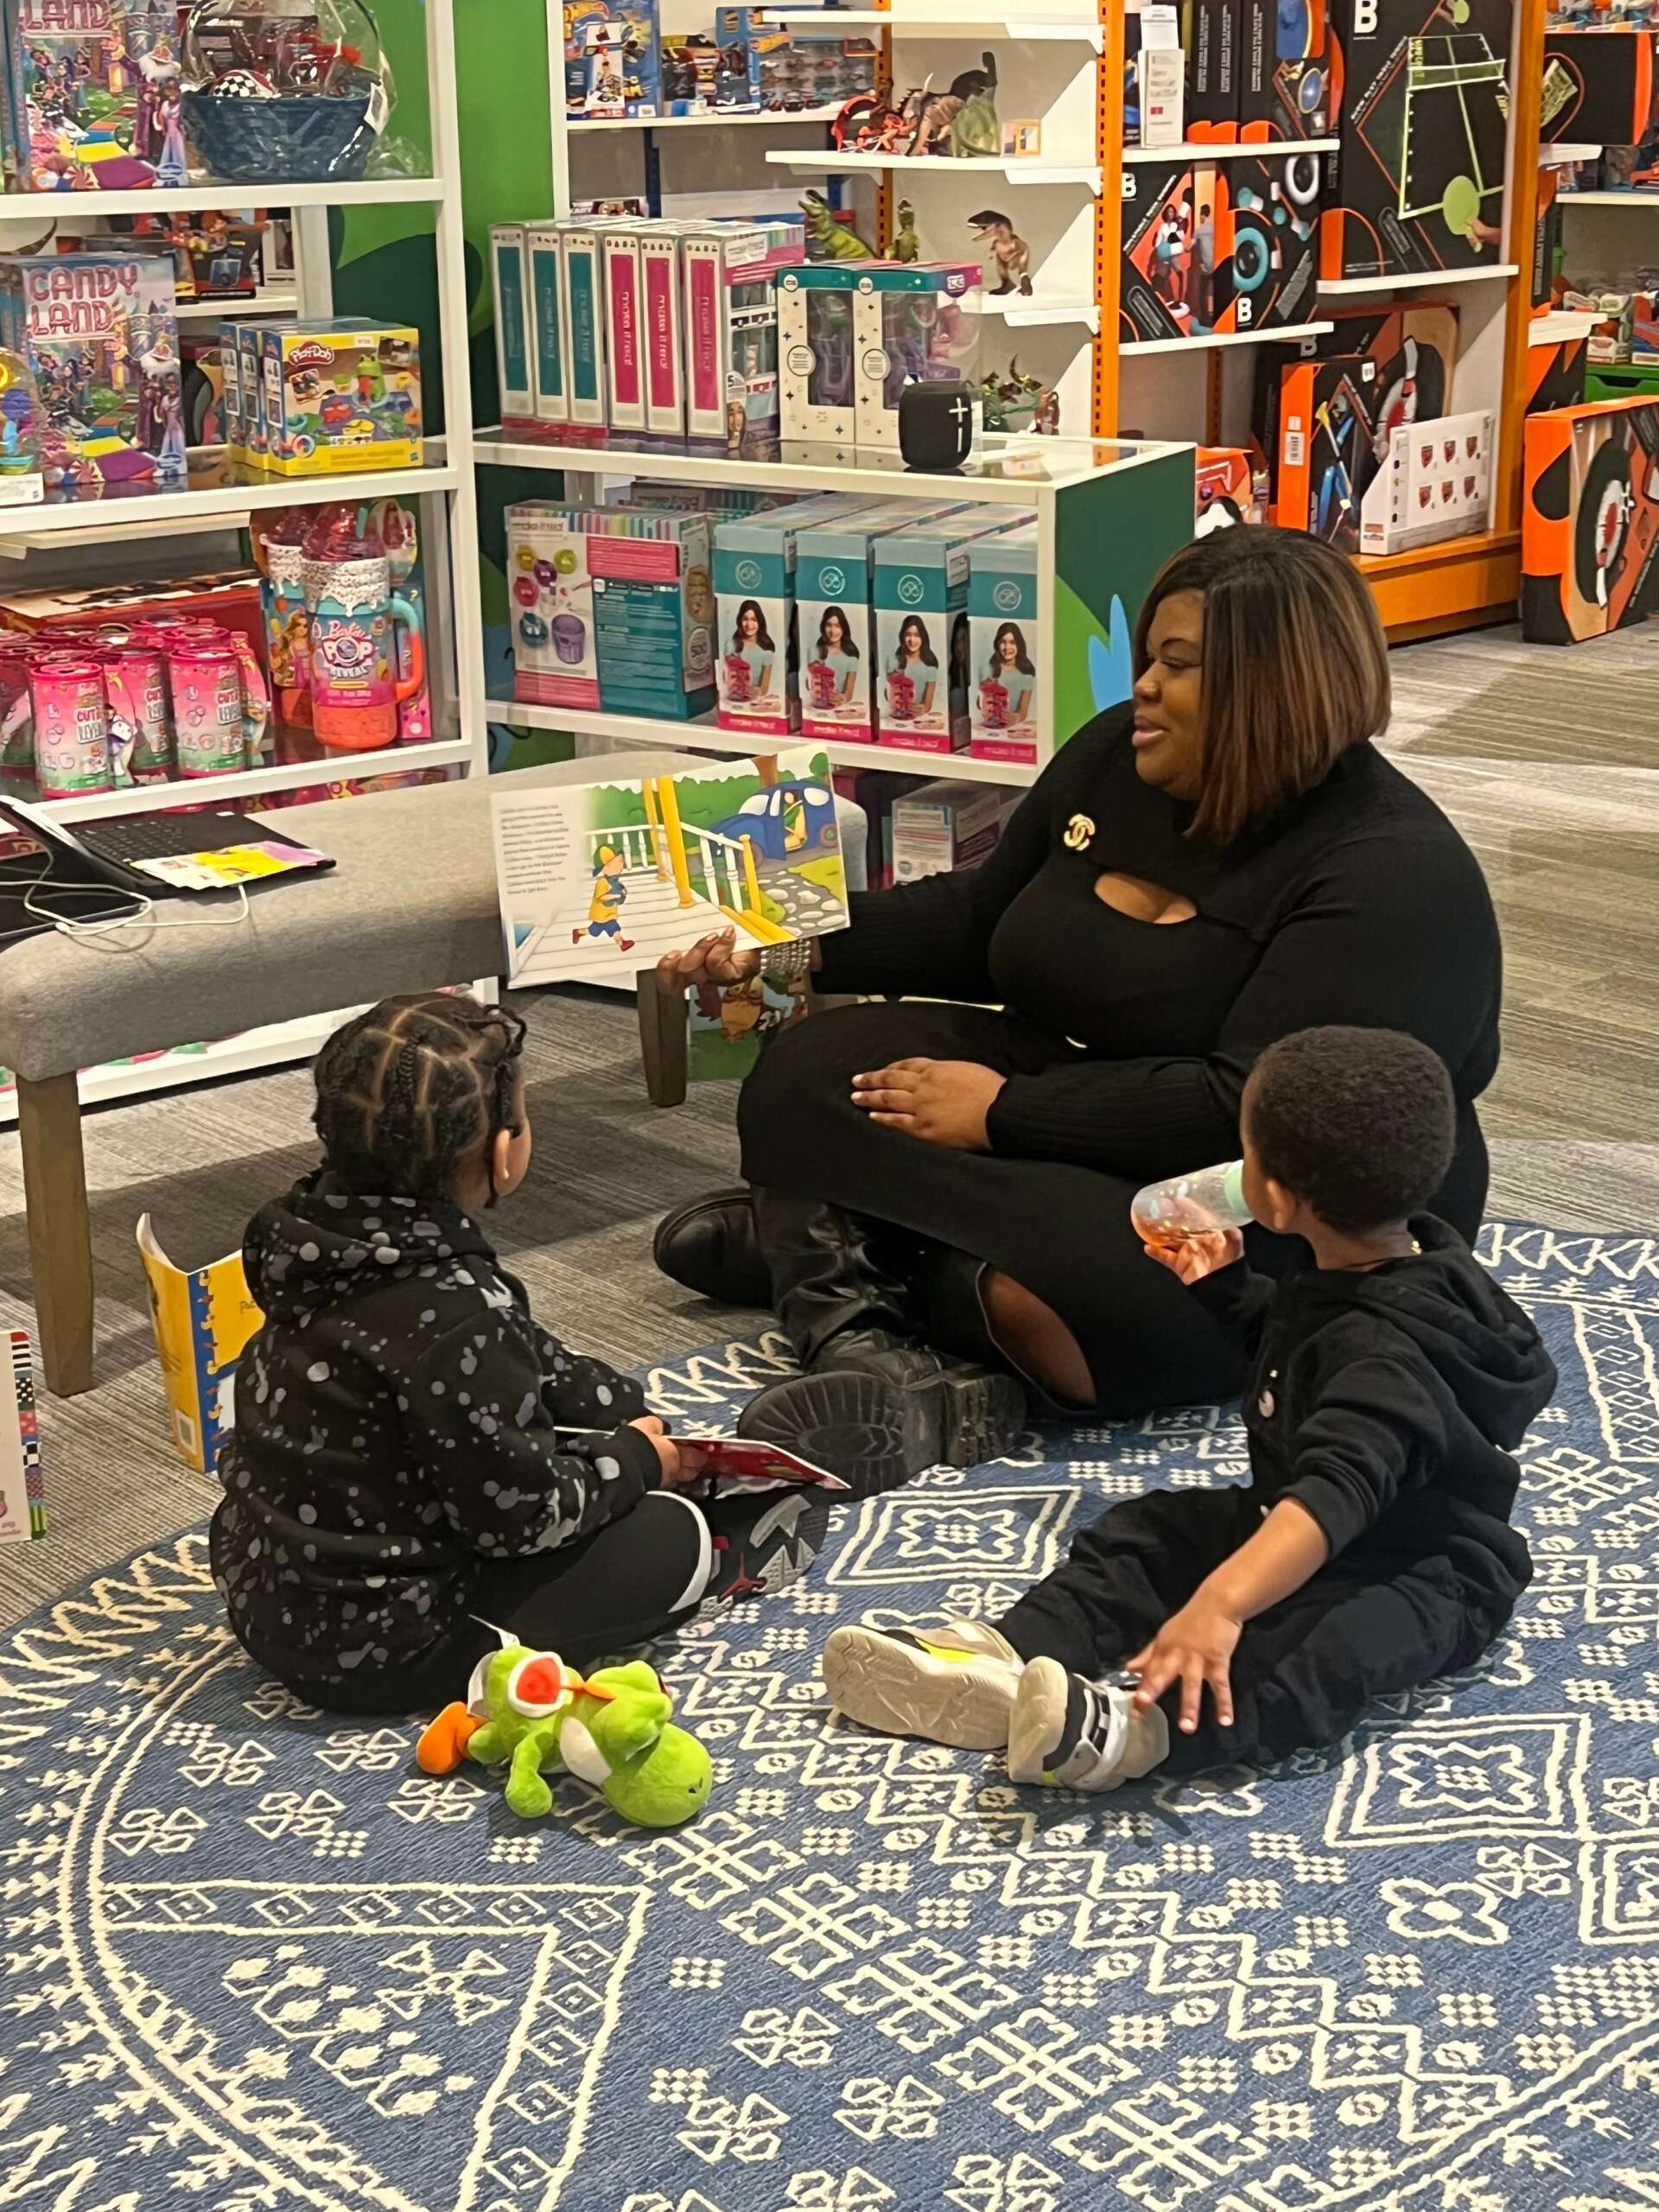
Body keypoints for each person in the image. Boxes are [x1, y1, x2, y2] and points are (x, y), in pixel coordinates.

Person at [652, 529, 1503, 1495]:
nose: (1143, 686)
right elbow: (980, 920)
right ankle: (863, 1330)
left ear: (1275, 688)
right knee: (806, 1071)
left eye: (1177, 664)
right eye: (1149, 657)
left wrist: (1001, 1114)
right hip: (1085, 1086)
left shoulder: (1394, 876)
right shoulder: (1114, 752)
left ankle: (833, 1252)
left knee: (1097, 1292)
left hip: (1278, 1200)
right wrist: (787, 945)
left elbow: (1244, 1109)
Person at [820, 1026, 1555, 1790]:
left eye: (1246, 1153)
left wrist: (1222, 1606)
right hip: (1293, 1515)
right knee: (1151, 1533)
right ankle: (1009, 1654)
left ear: (1276, 1199)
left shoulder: (1385, 1357)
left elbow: (1337, 1492)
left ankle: (1138, 1733)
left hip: (1424, 1569)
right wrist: (1228, 1291)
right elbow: (1302, 1360)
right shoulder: (1384, 1261)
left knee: (1315, 1653)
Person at [209, 993, 827, 1715]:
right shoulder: (461, 1316)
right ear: (504, 1154)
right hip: (385, 1650)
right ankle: (723, 1562)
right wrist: (633, 1464)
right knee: (670, 1538)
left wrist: (620, 1411)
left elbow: (532, 1362)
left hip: (265, 1598)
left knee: (559, 1445)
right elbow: (520, 1521)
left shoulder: (303, 1242)